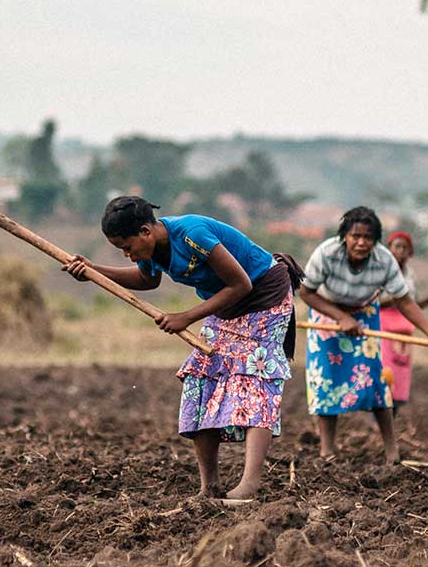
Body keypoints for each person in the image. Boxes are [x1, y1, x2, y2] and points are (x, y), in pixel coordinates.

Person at [64, 196, 296, 501]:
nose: (128, 255)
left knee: (254, 379)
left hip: (263, 297)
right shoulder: (151, 249)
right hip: (225, 305)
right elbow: (148, 280)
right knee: (200, 377)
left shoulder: (191, 234)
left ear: (146, 231)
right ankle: (209, 486)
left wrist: (186, 316)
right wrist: (95, 272)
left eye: (128, 247)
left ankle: (250, 483)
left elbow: (241, 284)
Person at [300, 207, 428, 464]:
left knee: (376, 381)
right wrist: (340, 317)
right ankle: (327, 451)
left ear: (376, 240)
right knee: (325, 380)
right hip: (328, 314)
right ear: (344, 236)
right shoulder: (326, 253)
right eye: (355, 236)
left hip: (364, 314)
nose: (361, 243)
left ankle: (392, 451)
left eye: (368, 238)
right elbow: (306, 293)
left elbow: (405, 302)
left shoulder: (384, 260)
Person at [377, 230, 428, 412]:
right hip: (383, 327)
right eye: (396, 247)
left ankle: (393, 414)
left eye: (404, 248)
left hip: (404, 329)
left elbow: (412, 307)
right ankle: (377, 413)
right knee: (384, 371)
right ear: (389, 250)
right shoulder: (380, 272)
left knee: (400, 372)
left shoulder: (410, 276)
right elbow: (371, 304)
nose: (400, 251)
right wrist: (392, 301)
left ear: (410, 252)